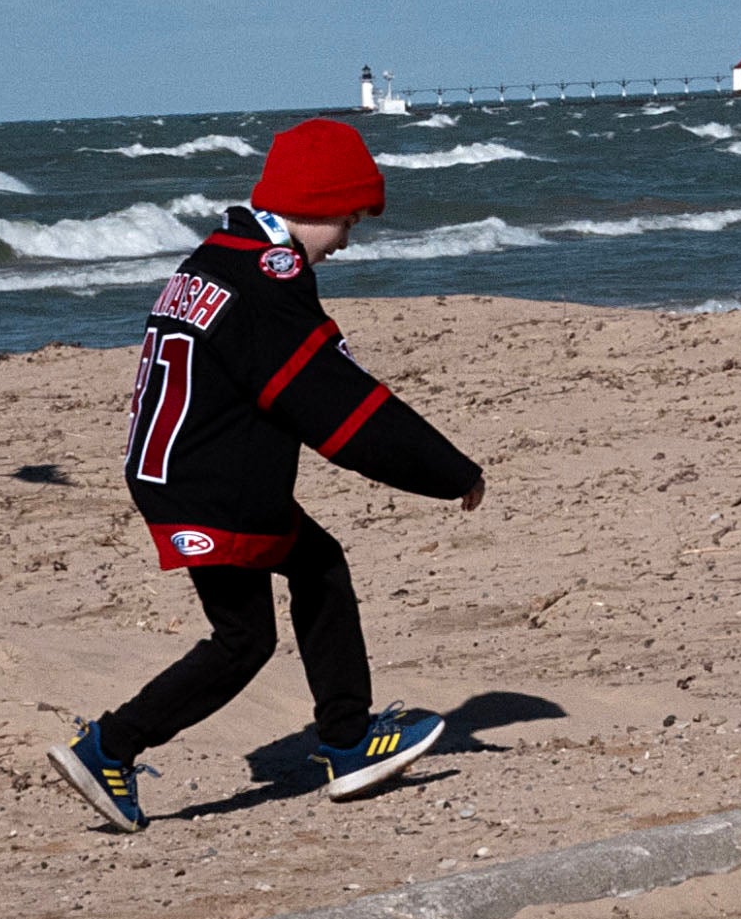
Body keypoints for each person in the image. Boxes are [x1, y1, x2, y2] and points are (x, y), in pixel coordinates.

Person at [37, 112, 476, 832]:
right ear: (316, 205)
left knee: (319, 568)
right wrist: (448, 471)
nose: (346, 241)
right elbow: (340, 409)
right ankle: (109, 746)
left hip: (173, 467)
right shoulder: (268, 282)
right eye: (349, 222)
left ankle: (345, 739)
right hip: (214, 483)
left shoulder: (216, 255)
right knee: (244, 638)